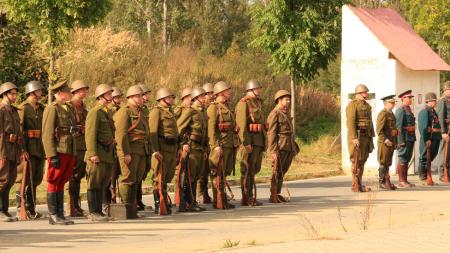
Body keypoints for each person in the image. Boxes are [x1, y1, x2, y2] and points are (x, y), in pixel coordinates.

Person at [42, 80, 77, 225]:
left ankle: (60, 214)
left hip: (68, 148)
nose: (70, 94)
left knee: (62, 180)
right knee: (53, 180)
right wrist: (51, 154)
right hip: (58, 149)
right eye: (68, 91)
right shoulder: (52, 108)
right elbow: (47, 134)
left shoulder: (68, 107)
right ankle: (53, 214)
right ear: (60, 93)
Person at [114, 85, 149, 217]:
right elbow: (121, 134)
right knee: (127, 179)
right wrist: (125, 153)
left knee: (136, 179)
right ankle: (126, 209)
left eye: (141, 96)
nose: (141, 98)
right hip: (130, 150)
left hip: (141, 150)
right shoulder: (125, 111)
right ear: (131, 97)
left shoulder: (141, 111)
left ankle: (132, 209)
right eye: (138, 96)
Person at [84, 84, 115, 222]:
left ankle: (99, 212)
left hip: (107, 153)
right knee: (94, 183)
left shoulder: (106, 112)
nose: (111, 97)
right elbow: (90, 134)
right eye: (108, 94)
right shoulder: (95, 112)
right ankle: (93, 212)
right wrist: (92, 154)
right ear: (101, 96)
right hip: (97, 153)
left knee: (103, 183)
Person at [15, 81, 45, 219]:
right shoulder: (23, 108)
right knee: (23, 178)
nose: (41, 93)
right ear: (32, 92)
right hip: (28, 147)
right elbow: (19, 131)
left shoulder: (41, 108)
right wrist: (22, 149)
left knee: (37, 177)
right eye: (39, 91)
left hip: (39, 147)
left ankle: (31, 208)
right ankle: (20, 207)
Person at [207, 81, 239, 209]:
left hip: (229, 144)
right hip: (220, 145)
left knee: (225, 172)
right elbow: (211, 129)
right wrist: (215, 146)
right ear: (220, 93)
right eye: (227, 91)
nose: (229, 92)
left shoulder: (227, 107)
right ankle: (218, 199)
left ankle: (222, 198)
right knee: (217, 173)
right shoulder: (213, 108)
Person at [177, 87, 208, 212]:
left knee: (195, 176)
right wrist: (181, 144)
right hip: (191, 147)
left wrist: (205, 148)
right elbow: (179, 128)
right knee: (189, 176)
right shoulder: (190, 111)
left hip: (200, 147)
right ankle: (187, 202)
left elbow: (205, 133)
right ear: (195, 98)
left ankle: (193, 201)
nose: (204, 98)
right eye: (201, 96)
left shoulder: (202, 112)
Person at [0, 82, 28, 222]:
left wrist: (22, 150)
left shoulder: (14, 111)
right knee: (2, 180)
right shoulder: (1, 110)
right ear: (4, 94)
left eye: (15, 93)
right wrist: (1, 154)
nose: (15, 96)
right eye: (12, 93)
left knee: (10, 180)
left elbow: (19, 133)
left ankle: (4, 209)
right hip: (3, 150)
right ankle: (1, 211)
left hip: (13, 149)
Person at [235, 80, 266, 206]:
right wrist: (246, 143)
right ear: (251, 89)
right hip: (249, 143)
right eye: (257, 88)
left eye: (259, 88)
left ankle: (250, 196)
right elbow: (241, 126)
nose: (259, 90)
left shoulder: (257, 103)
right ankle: (246, 197)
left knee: (254, 169)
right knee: (247, 170)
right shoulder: (244, 104)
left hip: (258, 141)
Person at [149, 88, 179, 215]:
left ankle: (164, 201)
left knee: (167, 176)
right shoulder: (157, 112)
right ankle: (158, 203)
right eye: (170, 97)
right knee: (158, 177)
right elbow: (153, 133)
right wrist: (155, 150)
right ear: (163, 99)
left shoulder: (170, 112)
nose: (172, 99)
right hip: (162, 148)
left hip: (171, 148)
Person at [267, 90, 299, 203]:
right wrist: (273, 150)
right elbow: (271, 133)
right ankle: (273, 194)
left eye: (289, 99)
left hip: (288, 145)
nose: (288, 101)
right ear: (279, 100)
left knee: (282, 171)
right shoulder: (274, 114)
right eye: (286, 99)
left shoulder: (285, 113)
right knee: (277, 170)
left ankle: (278, 193)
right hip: (280, 146)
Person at [346, 84, 375, 192]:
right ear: (358, 94)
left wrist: (371, 135)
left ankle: (359, 183)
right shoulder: (352, 105)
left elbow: (370, 121)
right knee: (356, 160)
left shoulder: (367, 105)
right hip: (357, 135)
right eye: (364, 92)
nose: (366, 94)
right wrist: (354, 137)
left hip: (366, 136)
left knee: (362, 160)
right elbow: (350, 122)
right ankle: (355, 184)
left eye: (366, 92)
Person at [68, 80, 89, 217]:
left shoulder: (83, 107)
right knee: (73, 176)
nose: (84, 92)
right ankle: (72, 206)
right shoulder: (69, 107)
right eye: (82, 90)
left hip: (83, 144)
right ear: (75, 92)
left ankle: (76, 205)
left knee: (79, 175)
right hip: (73, 143)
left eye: (85, 90)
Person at [418, 92, 441, 186]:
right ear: (430, 101)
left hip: (435, 137)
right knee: (424, 158)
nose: (436, 102)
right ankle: (423, 178)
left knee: (431, 156)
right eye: (434, 101)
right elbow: (423, 127)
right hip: (428, 138)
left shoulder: (432, 111)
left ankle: (428, 177)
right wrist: (426, 139)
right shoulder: (425, 111)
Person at [106, 86, 124, 206]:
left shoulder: (120, 109)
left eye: (119, 97)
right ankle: (111, 195)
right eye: (116, 97)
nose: (119, 99)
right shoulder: (110, 110)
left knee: (116, 171)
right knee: (111, 172)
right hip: (112, 142)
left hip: (118, 142)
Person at [376, 95, 398, 190]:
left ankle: (386, 180)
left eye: (393, 103)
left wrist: (395, 141)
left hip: (391, 141)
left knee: (388, 162)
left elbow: (394, 129)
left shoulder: (391, 114)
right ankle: (382, 182)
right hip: (384, 142)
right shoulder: (383, 114)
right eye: (391, 103)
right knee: (383, 161)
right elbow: (379, 130)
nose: (393, 104)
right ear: (386, 104)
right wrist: (385, 140)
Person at [136, 84, 152, 211]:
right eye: (144, 94)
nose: (146, 96)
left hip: (145, 145)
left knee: (141, 175)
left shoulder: (145, 110)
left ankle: (138, 200)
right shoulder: (131, 110)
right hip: (134, 146)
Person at [395, 90, 416, 188]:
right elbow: (398, 127)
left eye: (411, 98)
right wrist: (400, 141)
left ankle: (405, 180)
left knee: (407, 159)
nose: (411, 99)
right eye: (409, 98)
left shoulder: (408, 109)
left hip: (410, 138)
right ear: (403, 99)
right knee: (402, 158)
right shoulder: (401, 110)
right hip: (405, 138)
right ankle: (401, 181)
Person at [198, 83, 214, 204]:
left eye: (212, 93)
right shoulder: (201, 109)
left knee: (208, 170)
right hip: (201, 142)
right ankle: (200, 194)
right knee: (201, 170)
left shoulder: (211, 107)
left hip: (208, 142)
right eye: (208, 94)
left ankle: (205, 193)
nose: (211, 96)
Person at [436, 81, 450, 183]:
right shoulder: (442, 101)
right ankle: (442, 173)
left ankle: (448, 173)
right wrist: (443, 132)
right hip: (446, 130)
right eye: (449, 90)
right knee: (443, 152)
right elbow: (440, 117)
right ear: (445, 90)